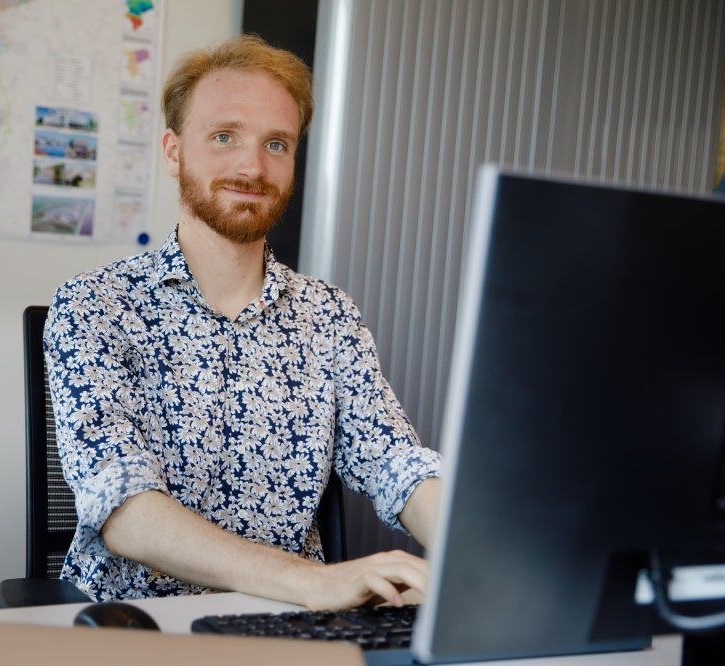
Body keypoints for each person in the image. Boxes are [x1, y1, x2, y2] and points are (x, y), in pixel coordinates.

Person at [45, 34, 443, 611]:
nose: (252, 166)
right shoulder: (93, 305)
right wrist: (313, 581)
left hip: (290, 623)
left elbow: (396, 463)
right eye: (224, 136)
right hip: (136, 625)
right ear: (174, 149)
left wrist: (479, 558)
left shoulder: (329, 314)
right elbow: (124, 507)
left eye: (276, 144)